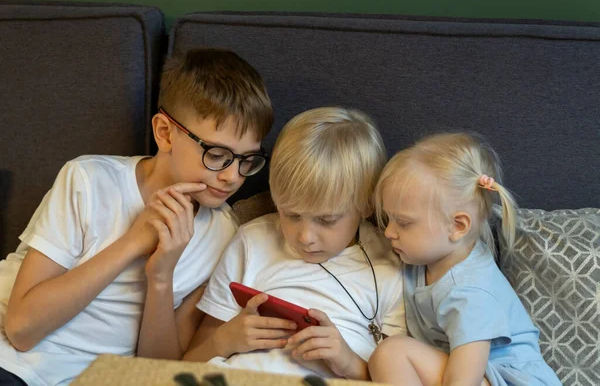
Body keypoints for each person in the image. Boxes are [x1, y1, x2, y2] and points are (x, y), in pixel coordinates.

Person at [0, 48, 273, 386]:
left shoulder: (223, 234)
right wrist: (132, 243)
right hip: (13, 364)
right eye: (217, 155)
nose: (233, 176)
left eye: (247, 160)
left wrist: (161, 277)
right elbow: (21, 330)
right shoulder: (89, 180)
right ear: (165, 133)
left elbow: (160, 369)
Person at [183, 107, 406, 380]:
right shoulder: (252, 242)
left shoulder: (392, 267)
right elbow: (187, 365)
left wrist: (347, 363)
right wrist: (226, 341)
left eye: (326, 220)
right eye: (291, 215)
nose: (305, 237)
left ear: (366, 205)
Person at [368, 132, 561, 386]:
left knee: (391, 354)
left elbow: (463, 381)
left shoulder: (469, 291)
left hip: (509, 379)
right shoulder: (431, 255)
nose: (389, 232)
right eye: (388, 218)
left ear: (458, 226)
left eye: (403, 223)